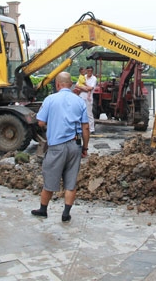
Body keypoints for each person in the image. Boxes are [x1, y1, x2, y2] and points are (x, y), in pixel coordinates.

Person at [31, 72, 89, 222]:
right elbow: (86, 127)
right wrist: (85, 148)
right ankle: (66, 214)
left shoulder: (50, 99)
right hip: (75, 146)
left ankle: (43, 210)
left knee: (50, 180)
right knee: (71, 182)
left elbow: (40, 122)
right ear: (71, 84)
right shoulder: (79, 101)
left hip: (56, 146)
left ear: (57, 84)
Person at [77, 66, 97, 133]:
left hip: (89, 98)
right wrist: (86, 89)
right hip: (81, 97)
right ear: (86, 70)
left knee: (89, 113)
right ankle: (80, 128)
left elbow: (91, 88)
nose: (89, 72)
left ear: (92, 71)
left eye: (91, 71)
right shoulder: (83, 76)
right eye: (88, 70)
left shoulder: (94, 78)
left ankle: (91, 129)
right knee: (80, 113)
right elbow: (77, 85)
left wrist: (83, 88)